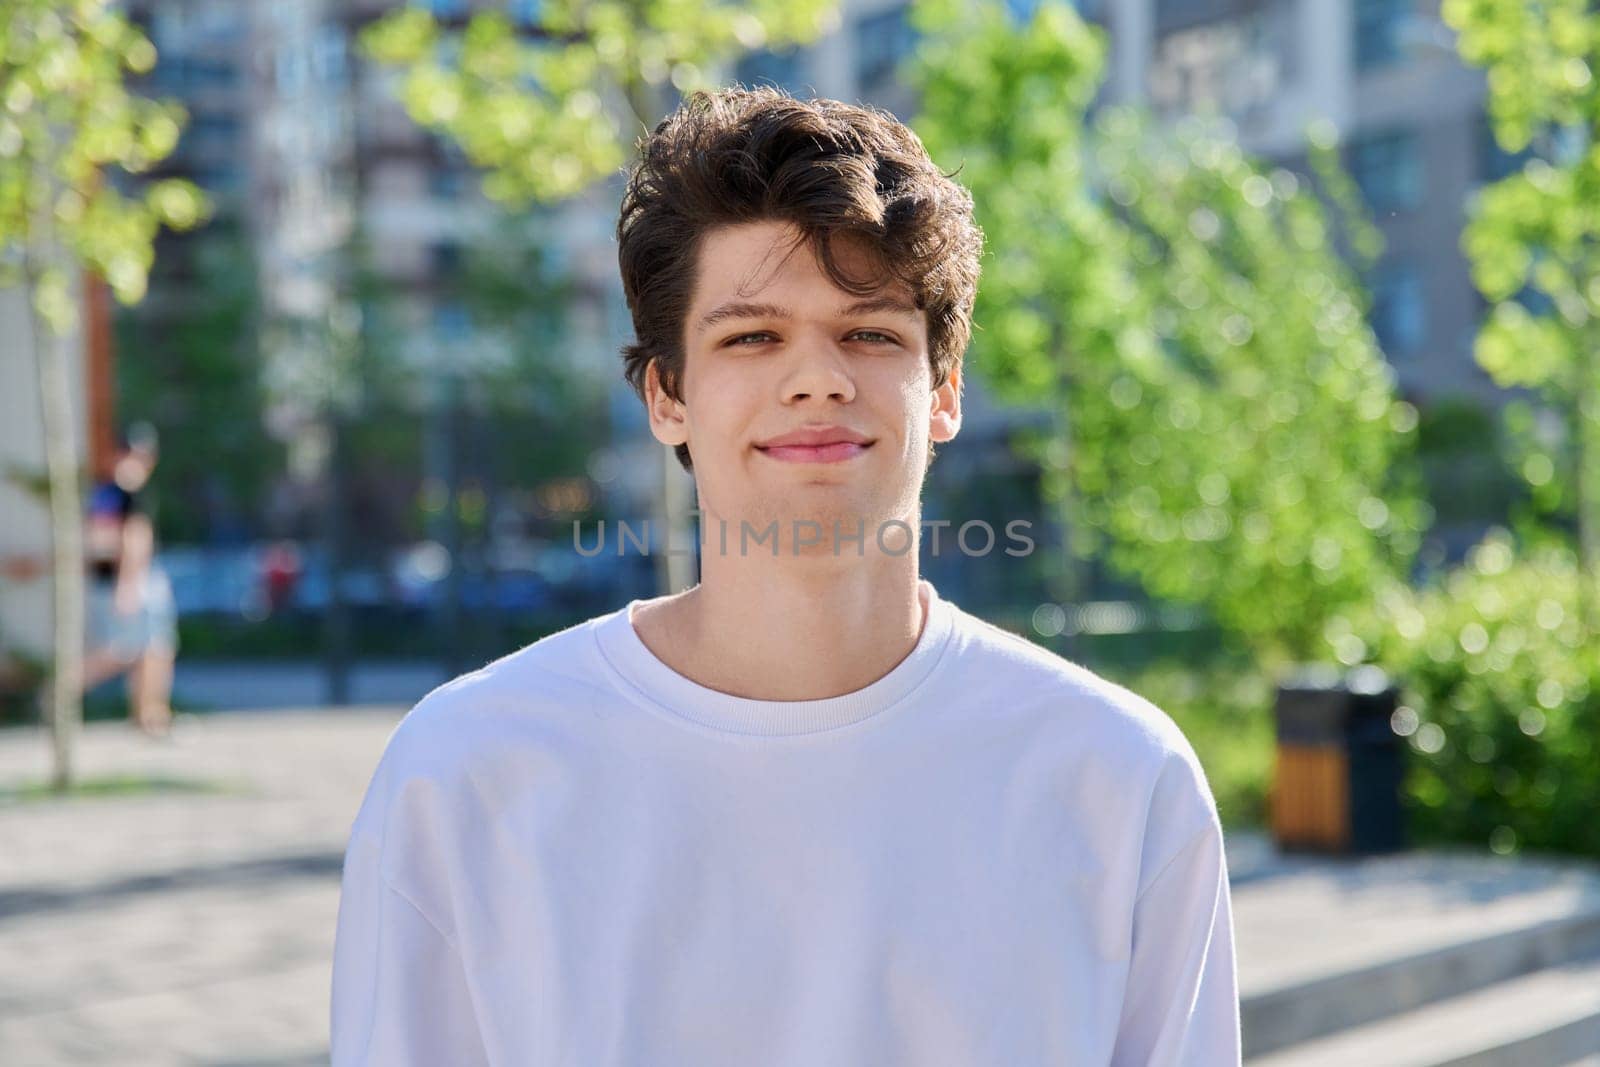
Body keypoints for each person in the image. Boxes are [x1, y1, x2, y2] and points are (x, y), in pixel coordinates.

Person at [331, 87, 1240, 1065]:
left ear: (944, 393)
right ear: (666, 395)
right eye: (751, 335)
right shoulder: (467, 773)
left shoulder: (1118, 776)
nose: (817, 376)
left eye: (871, 332)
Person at [83, 423, 178, 736]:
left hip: (127, 580)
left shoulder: (115, 492)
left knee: (154, 649)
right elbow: (125, 539)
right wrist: (127, 583)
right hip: (126, 582)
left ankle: (149, 715)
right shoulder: (117, 491)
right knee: (128, 649)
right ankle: (58, 690)